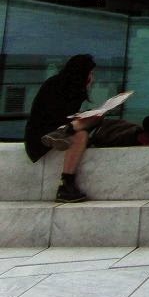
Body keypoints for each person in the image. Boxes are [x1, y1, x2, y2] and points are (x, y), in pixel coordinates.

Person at [24, 54, 141, 203]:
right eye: (90, 73)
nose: (92, 78)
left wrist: (80, 117)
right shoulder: (57, 85)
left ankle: (66, 183)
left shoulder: (68, 86)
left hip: (55, 132)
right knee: (91, 123)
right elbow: (51, 116)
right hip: (41, 137)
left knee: (83, 134)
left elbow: (63, 114)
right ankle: (65, 130)